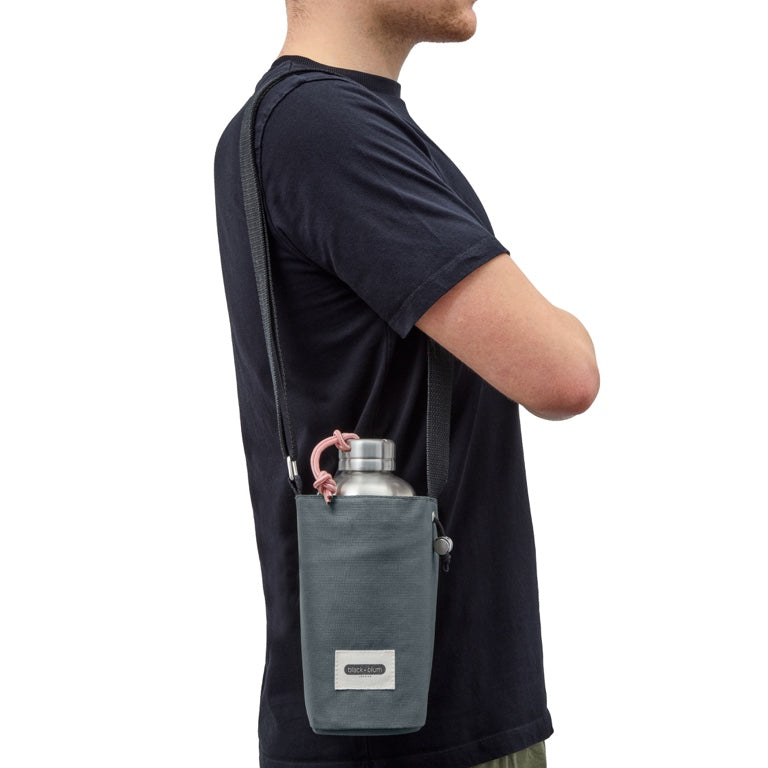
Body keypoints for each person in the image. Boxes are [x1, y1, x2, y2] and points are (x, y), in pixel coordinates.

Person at [213, 1, 600, 766]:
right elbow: (563, 373)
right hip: (430, 736)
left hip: (396, 717)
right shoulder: (326, 127)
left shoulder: (287, 123)